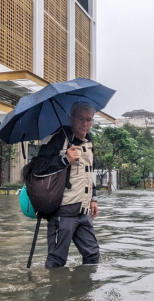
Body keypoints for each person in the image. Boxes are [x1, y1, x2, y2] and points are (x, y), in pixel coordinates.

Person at [31, 101, 100, 268]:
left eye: (89, 119)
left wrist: (93, 198)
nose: (85, 124)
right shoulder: (59, 139)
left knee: (92, 255)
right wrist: (64, 159)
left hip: (83, 212)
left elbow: (88, 174)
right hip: (62, 212)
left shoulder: (89, 143)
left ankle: (83, 293)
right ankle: (55, 291)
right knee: (56, 260)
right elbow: (38, 169)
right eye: (80, 118)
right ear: (71, 118)